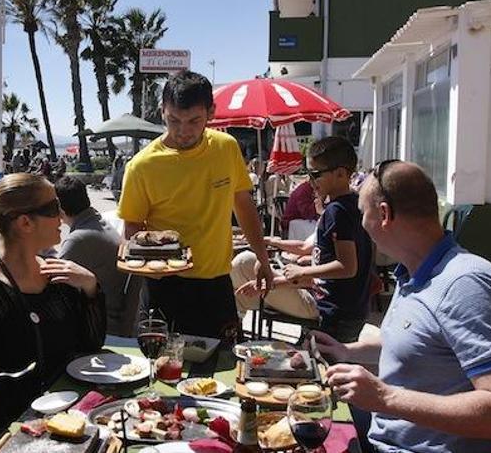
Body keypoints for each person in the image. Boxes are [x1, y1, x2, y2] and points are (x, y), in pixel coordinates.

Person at [316, 160, 491, 452]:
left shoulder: (466, 284)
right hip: (381, 439)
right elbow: (420, 347)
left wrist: (385, 397)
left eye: (362, 214)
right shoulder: (414, 274)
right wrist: (345, 351)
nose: (362, 225)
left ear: (384, 214)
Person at [0, 173, 106, 452]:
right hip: (4, 428)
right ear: (25, 222)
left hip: (65, 415)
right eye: (54, 208)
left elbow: (90, 345)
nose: (62, 216)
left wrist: (90, 287)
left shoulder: (57, 273)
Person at [118, 70, 274, 342]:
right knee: (162, 368)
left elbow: (243, 205)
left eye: (194, 121)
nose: (183, 130)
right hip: (163, 286)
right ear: (162, 111)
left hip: (216, 283)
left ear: (211, 113)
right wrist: (145, 266)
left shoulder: (226, 147)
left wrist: (262, 258)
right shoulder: (141, 166)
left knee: (222, 369)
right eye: (173, 120)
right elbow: (132, 227)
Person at [237, 136, 372, 343]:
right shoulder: (350, 205)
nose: (310, 181)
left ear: (341, 174)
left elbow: (347, 267)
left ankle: (230, 332)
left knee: (243, 263)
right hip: (340, 309)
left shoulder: (338, 211)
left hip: (330, 311)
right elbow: (324, 266)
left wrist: (301, 271)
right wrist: (279, 277)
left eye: (315, 174)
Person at [55, 176, 140, 336]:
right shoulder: (100, 224)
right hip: (114, 320)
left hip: (99, 328)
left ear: (59, 208)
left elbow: (54, 292)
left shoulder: (79, 239)